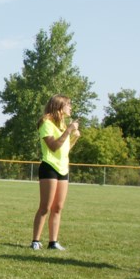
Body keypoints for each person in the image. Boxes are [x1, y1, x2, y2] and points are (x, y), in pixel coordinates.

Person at [31, 95, 80, 250]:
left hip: (63, 168)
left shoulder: (62, 125)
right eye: (68, 104)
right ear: (59, 106)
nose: (70, 107)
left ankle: (53, 242)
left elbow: (64, 150)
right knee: (45, 207)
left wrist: (73, 138)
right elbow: (53, 147)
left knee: (58, 207)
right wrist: (69, 131)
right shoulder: (46, 123)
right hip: (49, 167)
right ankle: (36, 241)